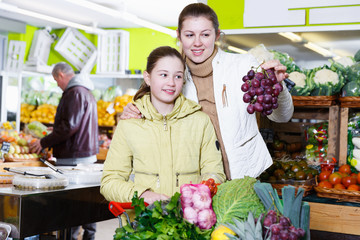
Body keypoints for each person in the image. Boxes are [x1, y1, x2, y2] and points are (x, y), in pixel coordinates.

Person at [120, 3, 294, 181]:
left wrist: (277, 89)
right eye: (189, 35)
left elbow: (282, 117)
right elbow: (152, 115)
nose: (197, 43)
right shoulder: (173, 76)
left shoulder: (242, 65)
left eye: (205, 34)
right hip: (195, 179)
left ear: (217, 35)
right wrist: (133, 112)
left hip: (245, 174)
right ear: (179, 36)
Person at [100, 46, 225, 204]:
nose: (171, 83)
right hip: (145, 222)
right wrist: (144, 195)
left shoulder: (200, 121)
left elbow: (215, 172)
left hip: (190, 221)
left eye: (178, 76)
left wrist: (200, 193)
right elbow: (109, 182)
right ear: (147, 77)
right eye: (163, 75)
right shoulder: (130, 124)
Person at [29, 62, 99, 240]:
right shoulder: (86, 92)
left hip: (73, 157)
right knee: (87, 201)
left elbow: (69, 126)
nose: (58, 85)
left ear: (60, 75)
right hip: (85, 154)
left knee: (72, 203)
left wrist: (44, 141)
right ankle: (87, 237)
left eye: (55, 80)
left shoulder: (74, 93)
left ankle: (71, 237)